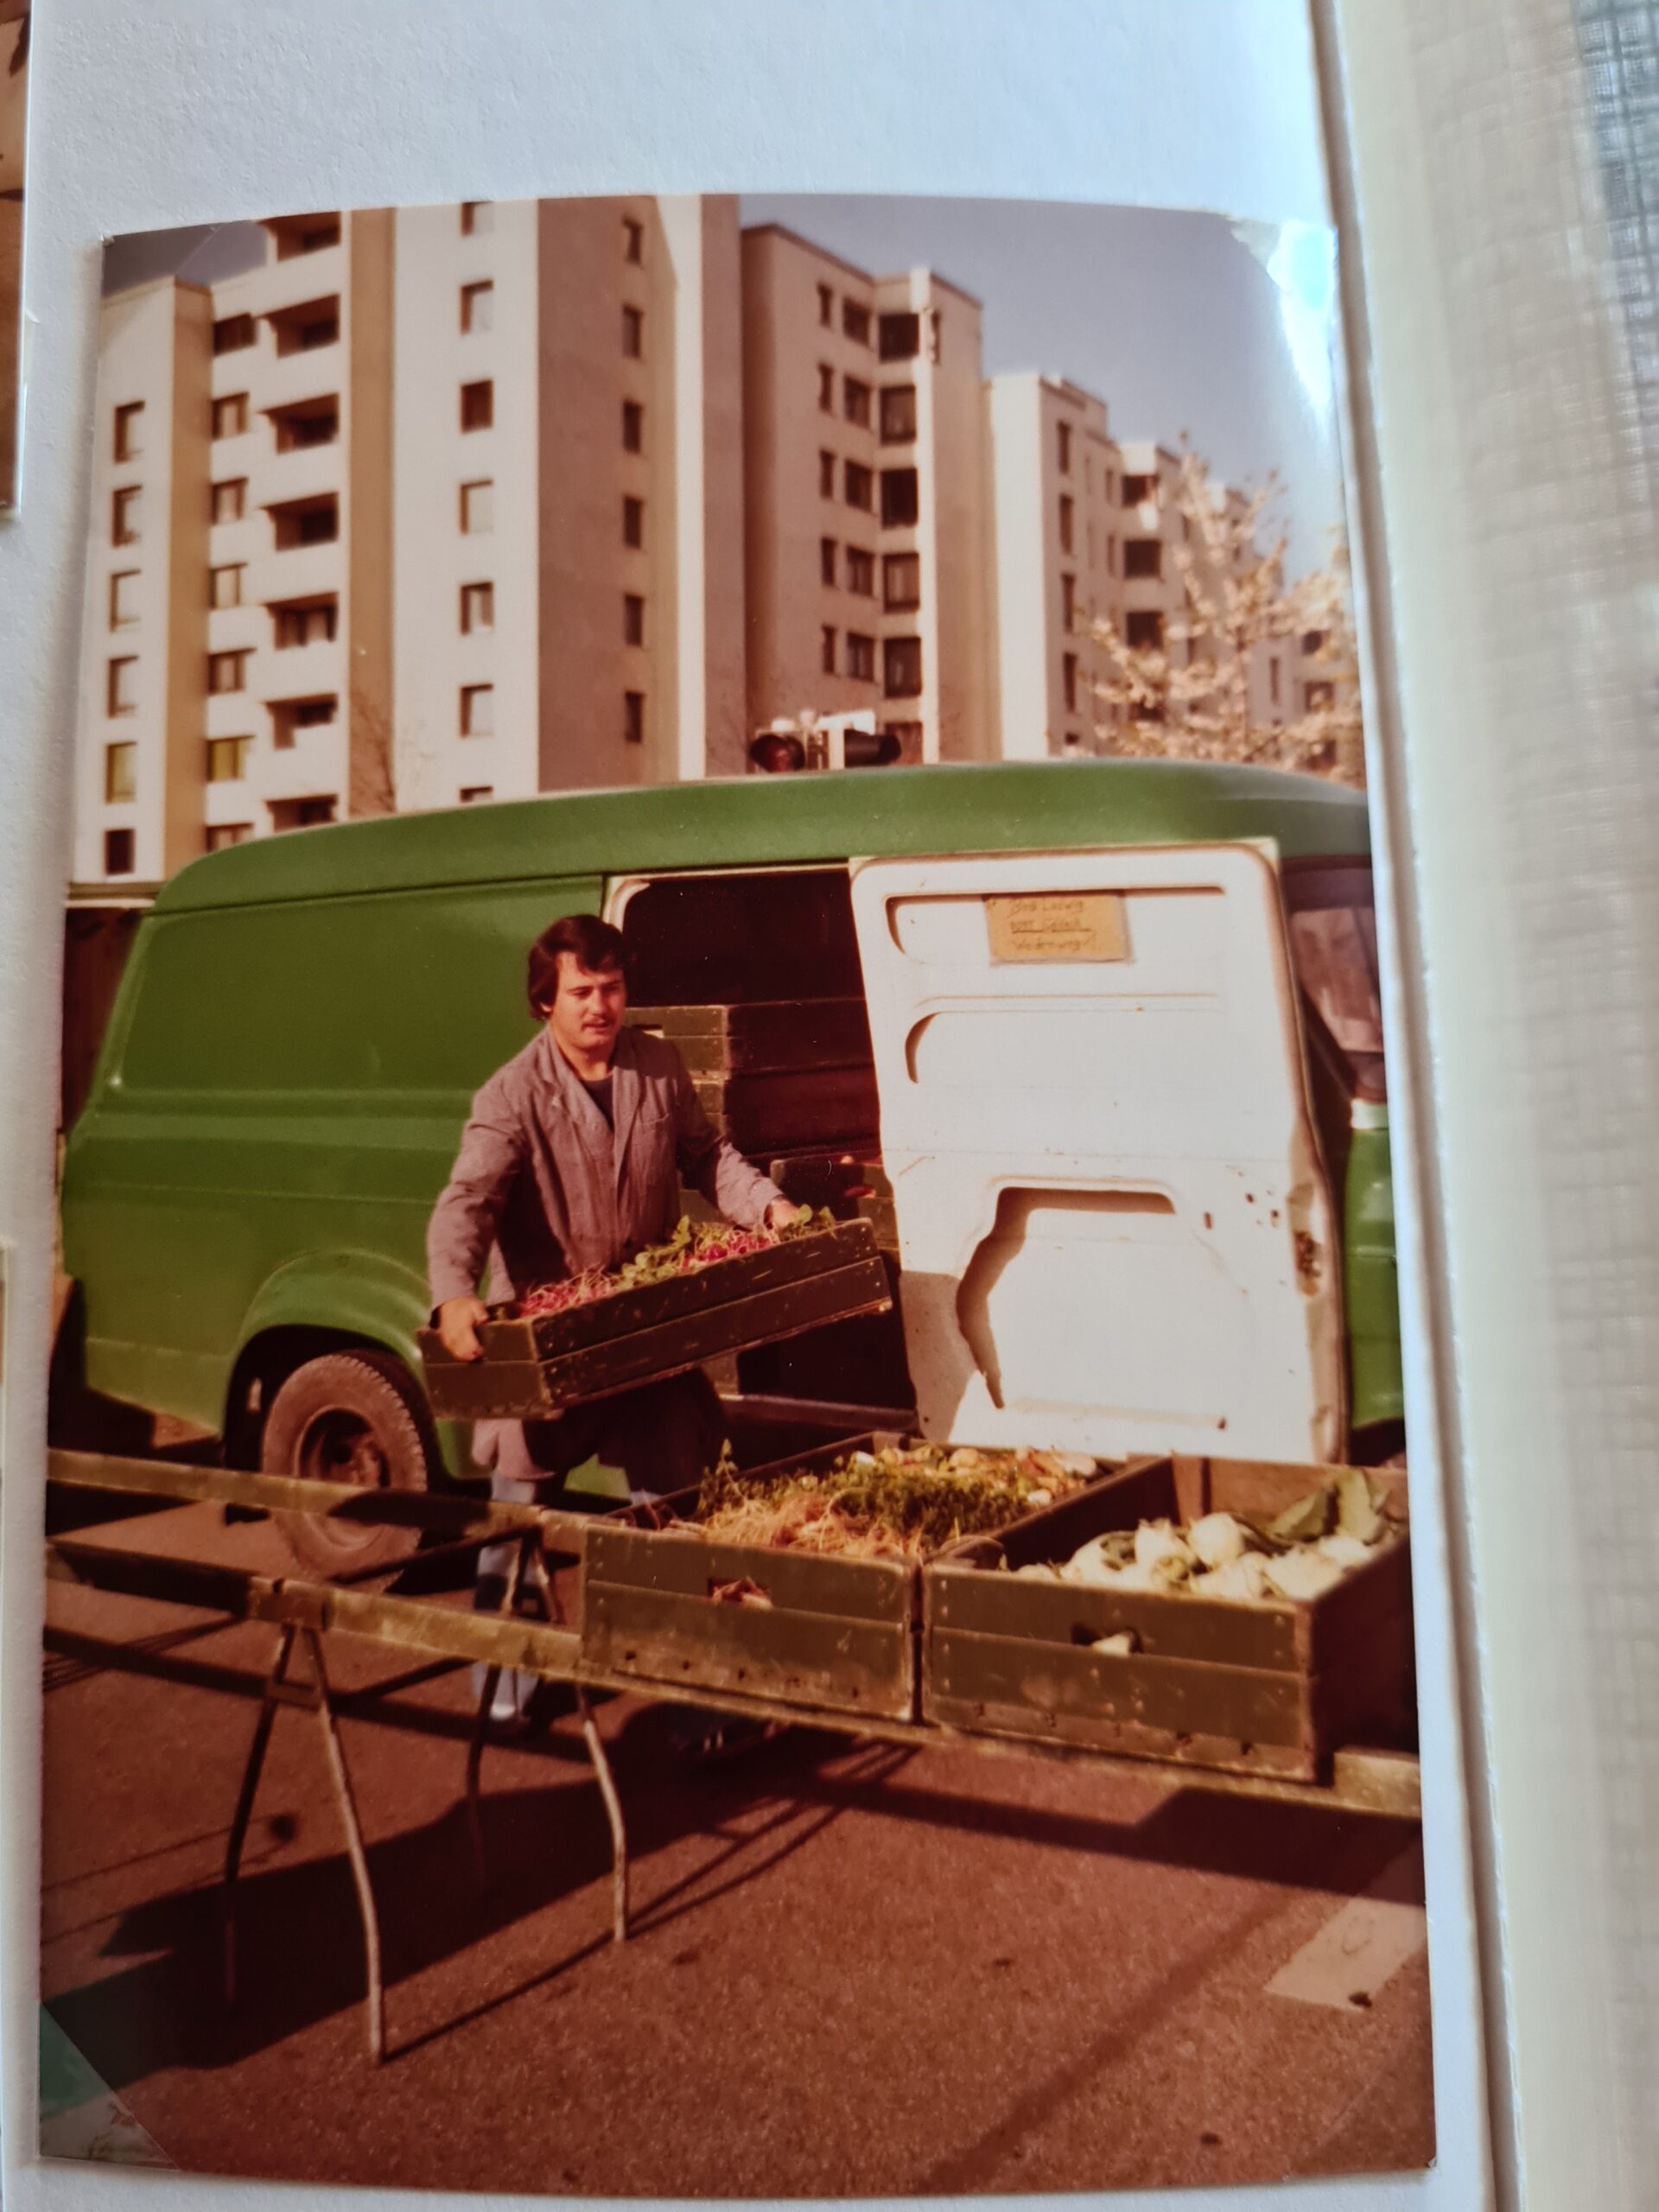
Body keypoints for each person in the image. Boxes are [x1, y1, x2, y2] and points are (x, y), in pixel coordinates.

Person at [427, 912, 799, 1728]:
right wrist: (454, 1290)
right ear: (545, 1002)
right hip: (553, 1345)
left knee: (672, 1512)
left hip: (648, 1333)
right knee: (517, 1518)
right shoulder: (511, 1094)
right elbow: (469, 1201)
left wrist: (768, 1207)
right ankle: (503, 1694)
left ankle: (696, 1697)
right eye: (581, 992)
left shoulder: (657, 1066)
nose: (600, 1006)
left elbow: (706, 1157)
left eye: (612, 988)